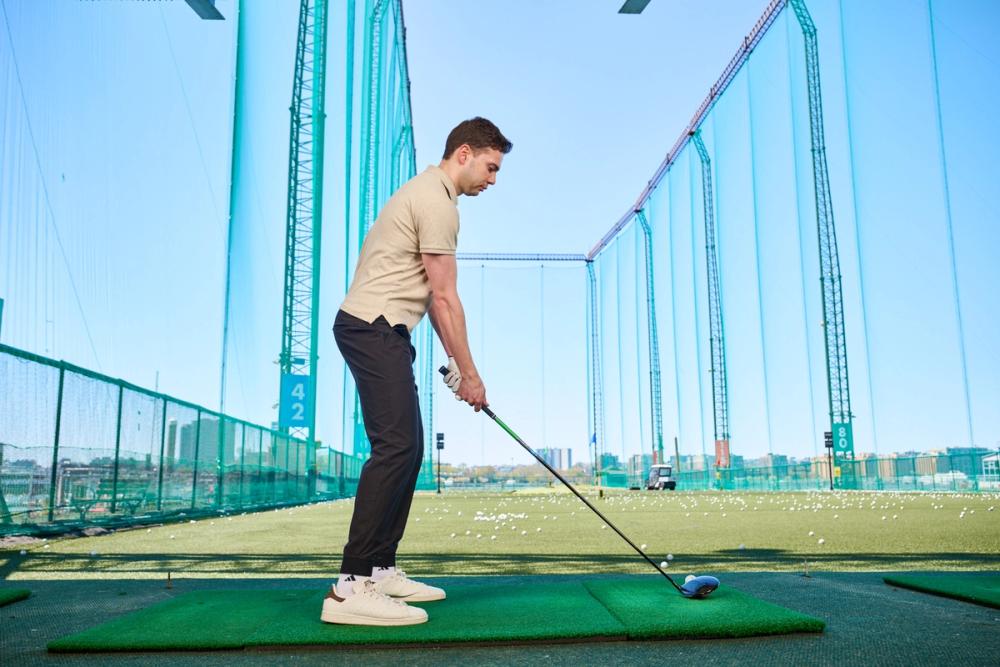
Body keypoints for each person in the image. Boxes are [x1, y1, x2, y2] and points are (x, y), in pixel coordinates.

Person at [321, 117, 512, 626]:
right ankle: (349, 585)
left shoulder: (434, 196)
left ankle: (381, 569)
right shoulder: (437, 202)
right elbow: (446, 298)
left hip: (385, 330)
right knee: (397, 447)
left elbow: (427, 296)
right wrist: (470, 375)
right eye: (491, 168)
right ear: (465, 153)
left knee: (409, 447)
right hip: (371, 327)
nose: (492, 181)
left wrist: (455, 364)